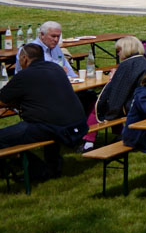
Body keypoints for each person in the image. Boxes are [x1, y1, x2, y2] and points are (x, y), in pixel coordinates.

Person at [0, 43, 88, 179]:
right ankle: (53, 167)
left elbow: (2, 99)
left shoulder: (24, 76)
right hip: (79, 124)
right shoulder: (56, 68)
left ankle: (38, 169)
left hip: (56, 128)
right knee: (47, 120)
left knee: (5, 137)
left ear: (24, 58)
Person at [95, 35, 146, 121]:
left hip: (133, 107)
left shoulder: (126, 65)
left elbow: (118, 92)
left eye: (118, 50)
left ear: (126, 49)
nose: (117, 54)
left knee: (95, 105)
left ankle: (88, 131)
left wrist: (112, 79)